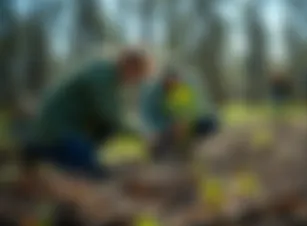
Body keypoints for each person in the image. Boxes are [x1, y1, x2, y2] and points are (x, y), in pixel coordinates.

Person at [23, 48, 151, 180]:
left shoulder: (108, 76)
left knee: (106, 134)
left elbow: (116, 114)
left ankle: (84, 163)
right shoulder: (102, 76)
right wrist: (143, 136)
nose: (136, 82)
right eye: (139, 75)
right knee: (94, 178)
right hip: (54, 136)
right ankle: (76, 168)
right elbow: (112, 115)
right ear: (130, 65)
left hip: (62, 134)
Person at [140, 67, 219, 161]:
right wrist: (170, 127)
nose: (173, 87)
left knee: (209, 123)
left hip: (188, 125)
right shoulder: (153, 97)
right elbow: (151, 122)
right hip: (165, 130)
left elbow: (200, 109)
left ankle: (205, 148)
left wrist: (186, 121)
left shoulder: (187, 90)